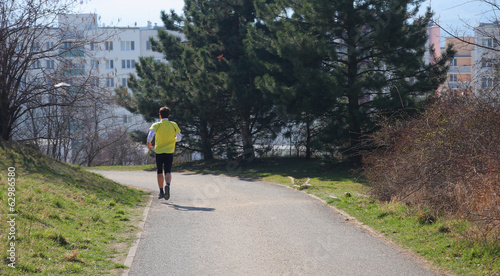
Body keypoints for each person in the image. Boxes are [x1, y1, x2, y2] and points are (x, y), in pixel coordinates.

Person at [147, 107, 182, 200]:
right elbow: (179, 138)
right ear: (168, 115)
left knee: (159, 171)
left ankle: (161, 191)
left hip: (159, 151)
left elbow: (150, 137)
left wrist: (149, 143)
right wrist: (173, 140)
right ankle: (168, 185)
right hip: (169, 151)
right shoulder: (173, 124)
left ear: (160, 115)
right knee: (168, 171)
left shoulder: (156, 125)